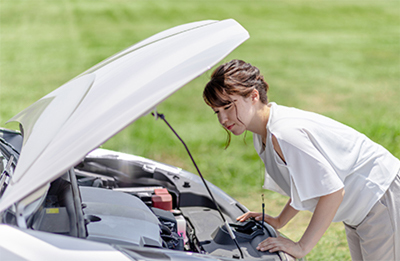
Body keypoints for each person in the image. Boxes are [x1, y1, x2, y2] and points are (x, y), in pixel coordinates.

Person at [203, 59, 400, 260]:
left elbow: (333, 191)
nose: (223, 119)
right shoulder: (262, 133)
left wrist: (302, 246)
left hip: (381, 196)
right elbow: (305, 180)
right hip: (361, 209)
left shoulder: (283, 133)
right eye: (217, 111)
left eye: (228, 106)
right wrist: (279, 221)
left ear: (254, 95)